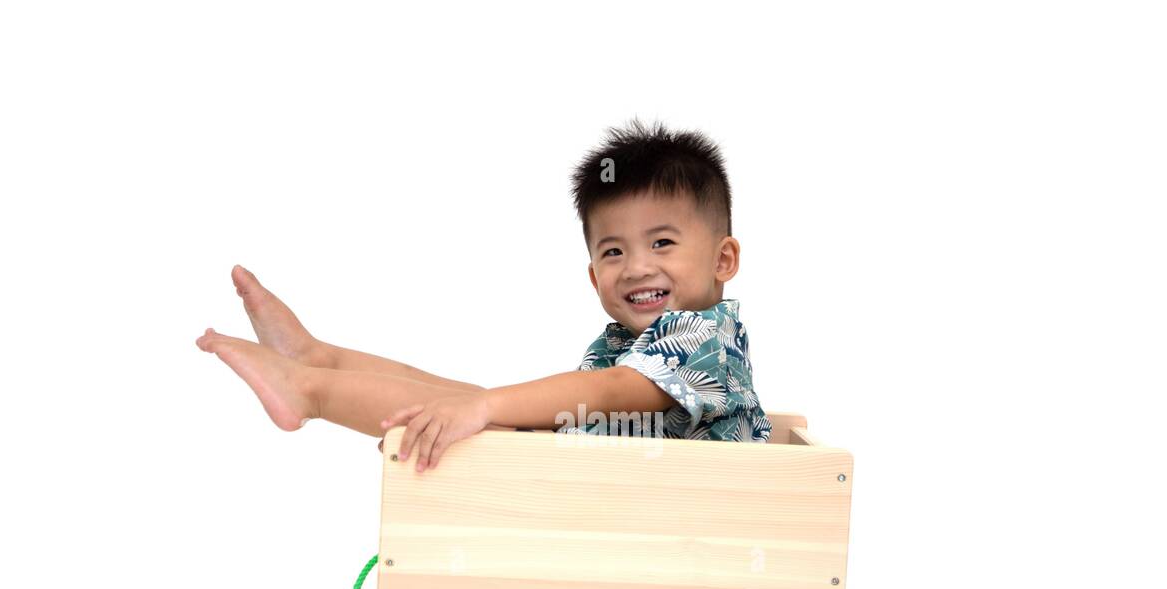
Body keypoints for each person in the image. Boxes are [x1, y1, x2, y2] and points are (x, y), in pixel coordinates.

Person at [195, 119, 772, 471]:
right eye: (614, 252)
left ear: (723, 260)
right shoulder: (632, 338)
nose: (635, 267)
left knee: (481, 416)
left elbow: (613, 389)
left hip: (672, 517)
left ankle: (313, 393)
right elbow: (574, 409)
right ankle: (321, 359)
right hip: (612, 488)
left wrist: (485, 409)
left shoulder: (705, 342)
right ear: (593, 276)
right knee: (466, 404)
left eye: (663, 242)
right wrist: (481, 405)